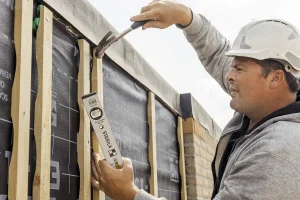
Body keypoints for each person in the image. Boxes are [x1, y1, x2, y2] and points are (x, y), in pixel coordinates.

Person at [91, 1, 300, 199]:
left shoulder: (276, 156)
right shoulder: (264, 103)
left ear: (275, 78)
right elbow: (218, 53)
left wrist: (129, 195)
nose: (229, 75)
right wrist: (185, 17)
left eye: (239, 68)